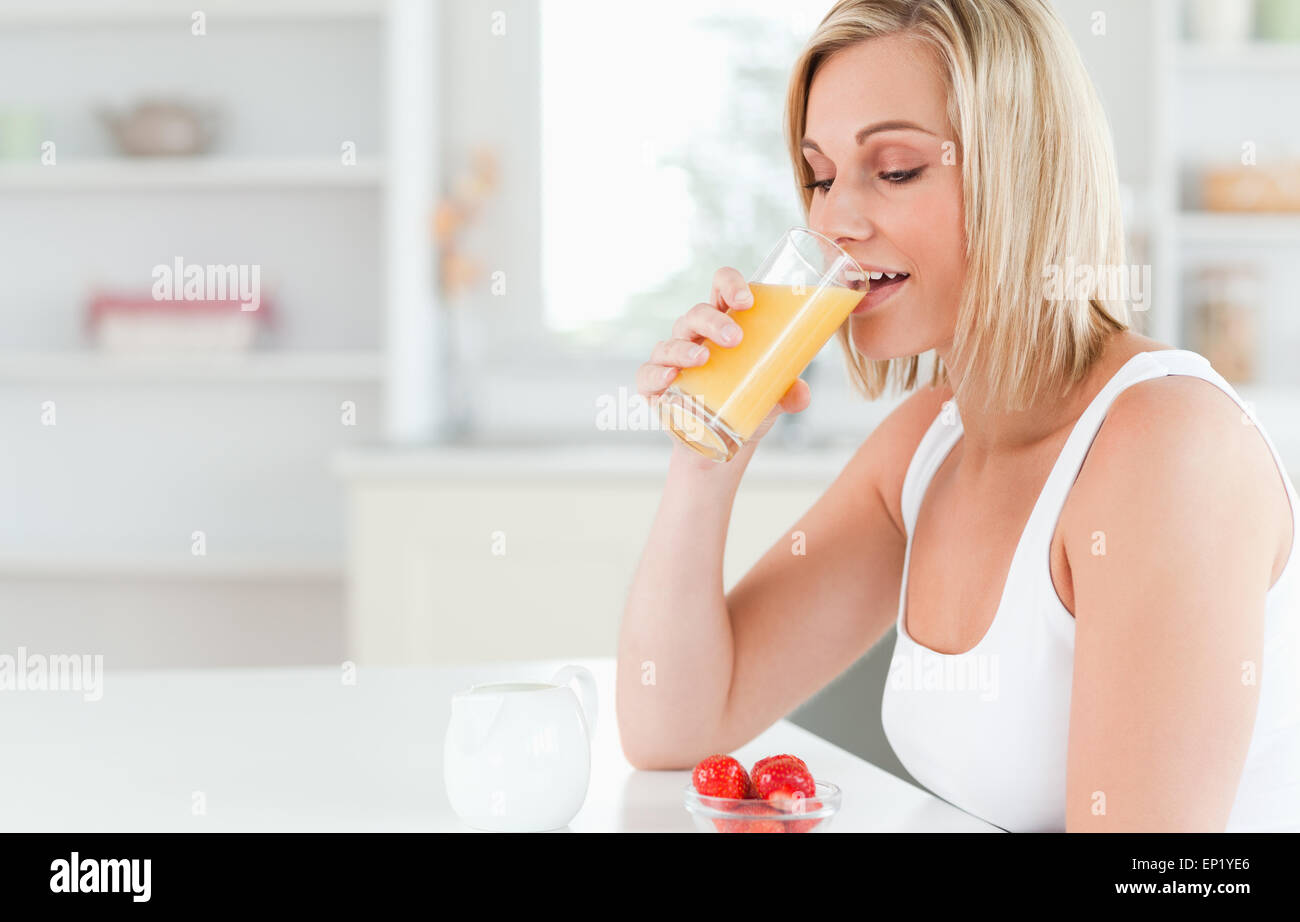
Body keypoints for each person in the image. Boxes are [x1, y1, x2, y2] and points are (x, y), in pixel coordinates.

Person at [616, 0, 1298, 832]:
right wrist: (706, 461)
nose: (834, 220)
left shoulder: (1168, 447)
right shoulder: (931, 445)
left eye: (896, 169)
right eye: (820, 176)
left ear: (1024, 173)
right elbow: (671, 726)